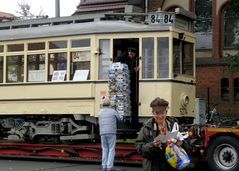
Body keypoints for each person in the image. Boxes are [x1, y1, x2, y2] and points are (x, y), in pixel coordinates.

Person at [135, 97, 188, 171]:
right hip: (154, 167)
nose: (160, 116)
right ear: (152, 113)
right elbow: (140, 149)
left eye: (162, 113)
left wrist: (181, 143)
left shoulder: (174, 125)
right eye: (157, 113)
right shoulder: (147, 128)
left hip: (173, 166)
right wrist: (153, 145)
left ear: (166, 112)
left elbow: (188, 145)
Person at [114, 47, 139, 128]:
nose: (133, 57)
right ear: (129, 53)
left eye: (134, 55)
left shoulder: (129, 59)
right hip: (123, 83)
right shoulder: (121, 59)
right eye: (132, 55)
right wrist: (133, 70)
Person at [97, 97, 122, 171]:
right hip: (111, 132)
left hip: (102, 133)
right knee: (111, 149)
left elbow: (98, 122)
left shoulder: (100, 112)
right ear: (110, 104)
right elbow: (120, 119)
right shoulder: (113, 111)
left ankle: (104, 165)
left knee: (104, 149)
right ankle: (109, 166)